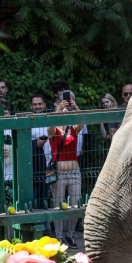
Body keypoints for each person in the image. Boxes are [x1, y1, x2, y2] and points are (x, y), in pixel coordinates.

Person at [49, 96, 84, 248]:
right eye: (63, 111)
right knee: (58, 205)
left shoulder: (73, 128)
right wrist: (58, 110)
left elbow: (82, 121)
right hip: (59, 173)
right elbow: (50, 125)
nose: (65, 113)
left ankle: (69, 235)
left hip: (74, 172)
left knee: (74, 206)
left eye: (67, 111)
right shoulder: (53, 130)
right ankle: (59, 237)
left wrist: (75, 108)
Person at [29, 94, 52, 210]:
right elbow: (22, 142)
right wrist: (35, 143)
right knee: (33, 198)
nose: (37, 106)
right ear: (31, 106)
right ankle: (32, 225)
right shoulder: (28, 122)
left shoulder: (49, 120)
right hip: (34, 167)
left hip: (49, 165)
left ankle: (43, 225)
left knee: (44, 197)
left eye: (39, 104)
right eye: (35, 104)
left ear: (44, 105)